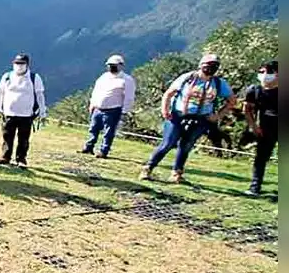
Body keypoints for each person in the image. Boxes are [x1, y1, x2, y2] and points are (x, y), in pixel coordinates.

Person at [139, 53, 234, 183]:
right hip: (178, 115)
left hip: (201, 119)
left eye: (215, 66)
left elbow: (231, 101)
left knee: (186, 145)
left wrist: (218, 115)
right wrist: (165, 110)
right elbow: (169, 93)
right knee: (168, 143)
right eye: (209, 65)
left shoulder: (218, 83)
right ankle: (148, 168)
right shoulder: (187, 78)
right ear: (201, 65)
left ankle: (176, 173)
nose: (212, 68)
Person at [0, 53, 47, 168]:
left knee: (23, 138)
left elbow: (40, 95)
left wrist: (42, 112)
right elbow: (0, 93)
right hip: (9, 113)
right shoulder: (7, 76)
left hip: (26, 115)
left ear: (27, 65)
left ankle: (21, 159)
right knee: (7, 136)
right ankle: (5, 157)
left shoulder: (34, 78)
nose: (19, 66)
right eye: (17, 63)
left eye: (22, 63)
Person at [80, 54, 136, 158]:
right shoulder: (104, 77)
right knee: (93, 128)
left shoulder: (127, 80)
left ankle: (103, 150)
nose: (111, 67)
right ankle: (89, 147)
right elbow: (96, 91)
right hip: (98, 108)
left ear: (121, 66)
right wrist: (92, 104)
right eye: (110, 65)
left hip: (113, 109)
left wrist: (124, 111)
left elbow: (129, 97)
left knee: (109, 131)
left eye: (114, 65)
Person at [243, 60, 278, 196]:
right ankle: (255, 187)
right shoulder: (254, 90)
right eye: (262, 72)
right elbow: (248, 110)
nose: (265, 75)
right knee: (261, 158)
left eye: (269, 72)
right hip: (265, 128)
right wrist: (253, 126)